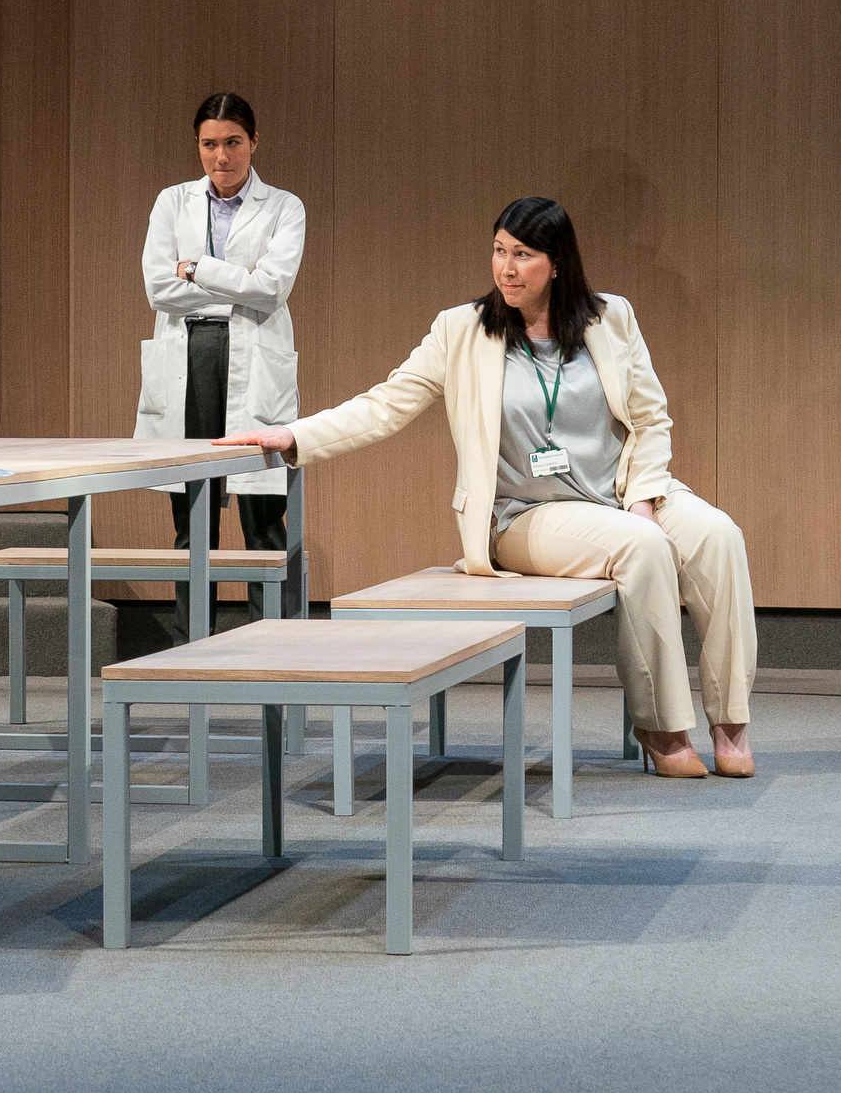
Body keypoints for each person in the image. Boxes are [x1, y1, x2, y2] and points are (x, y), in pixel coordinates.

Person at [223, 197, 757, 778]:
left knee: (719, 535)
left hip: (622, 491)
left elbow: (651, 418)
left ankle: (730, 719)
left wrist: (644, 499)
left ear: (557, 263)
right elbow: (385, 405)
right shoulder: (462, 330)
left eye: (523, 255)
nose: (506, 268)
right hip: (529, 513)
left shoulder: (611, 318)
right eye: (499, 251)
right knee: (643, 545)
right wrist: (294, 435)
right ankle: (663, 725)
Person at [134, 93, 305, 570]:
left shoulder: (284, 207)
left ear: (254, 142)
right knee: (192, 519)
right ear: (198, 145)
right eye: (209, 144)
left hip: (254, 356)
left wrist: (195, 269)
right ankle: (191, 620)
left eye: (233, 142)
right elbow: (158, 289)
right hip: (190, 354)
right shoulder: (172, 201)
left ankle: (273, 619)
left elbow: (271, 290)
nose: (221, 156)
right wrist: (238, 284)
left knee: (264, 521)